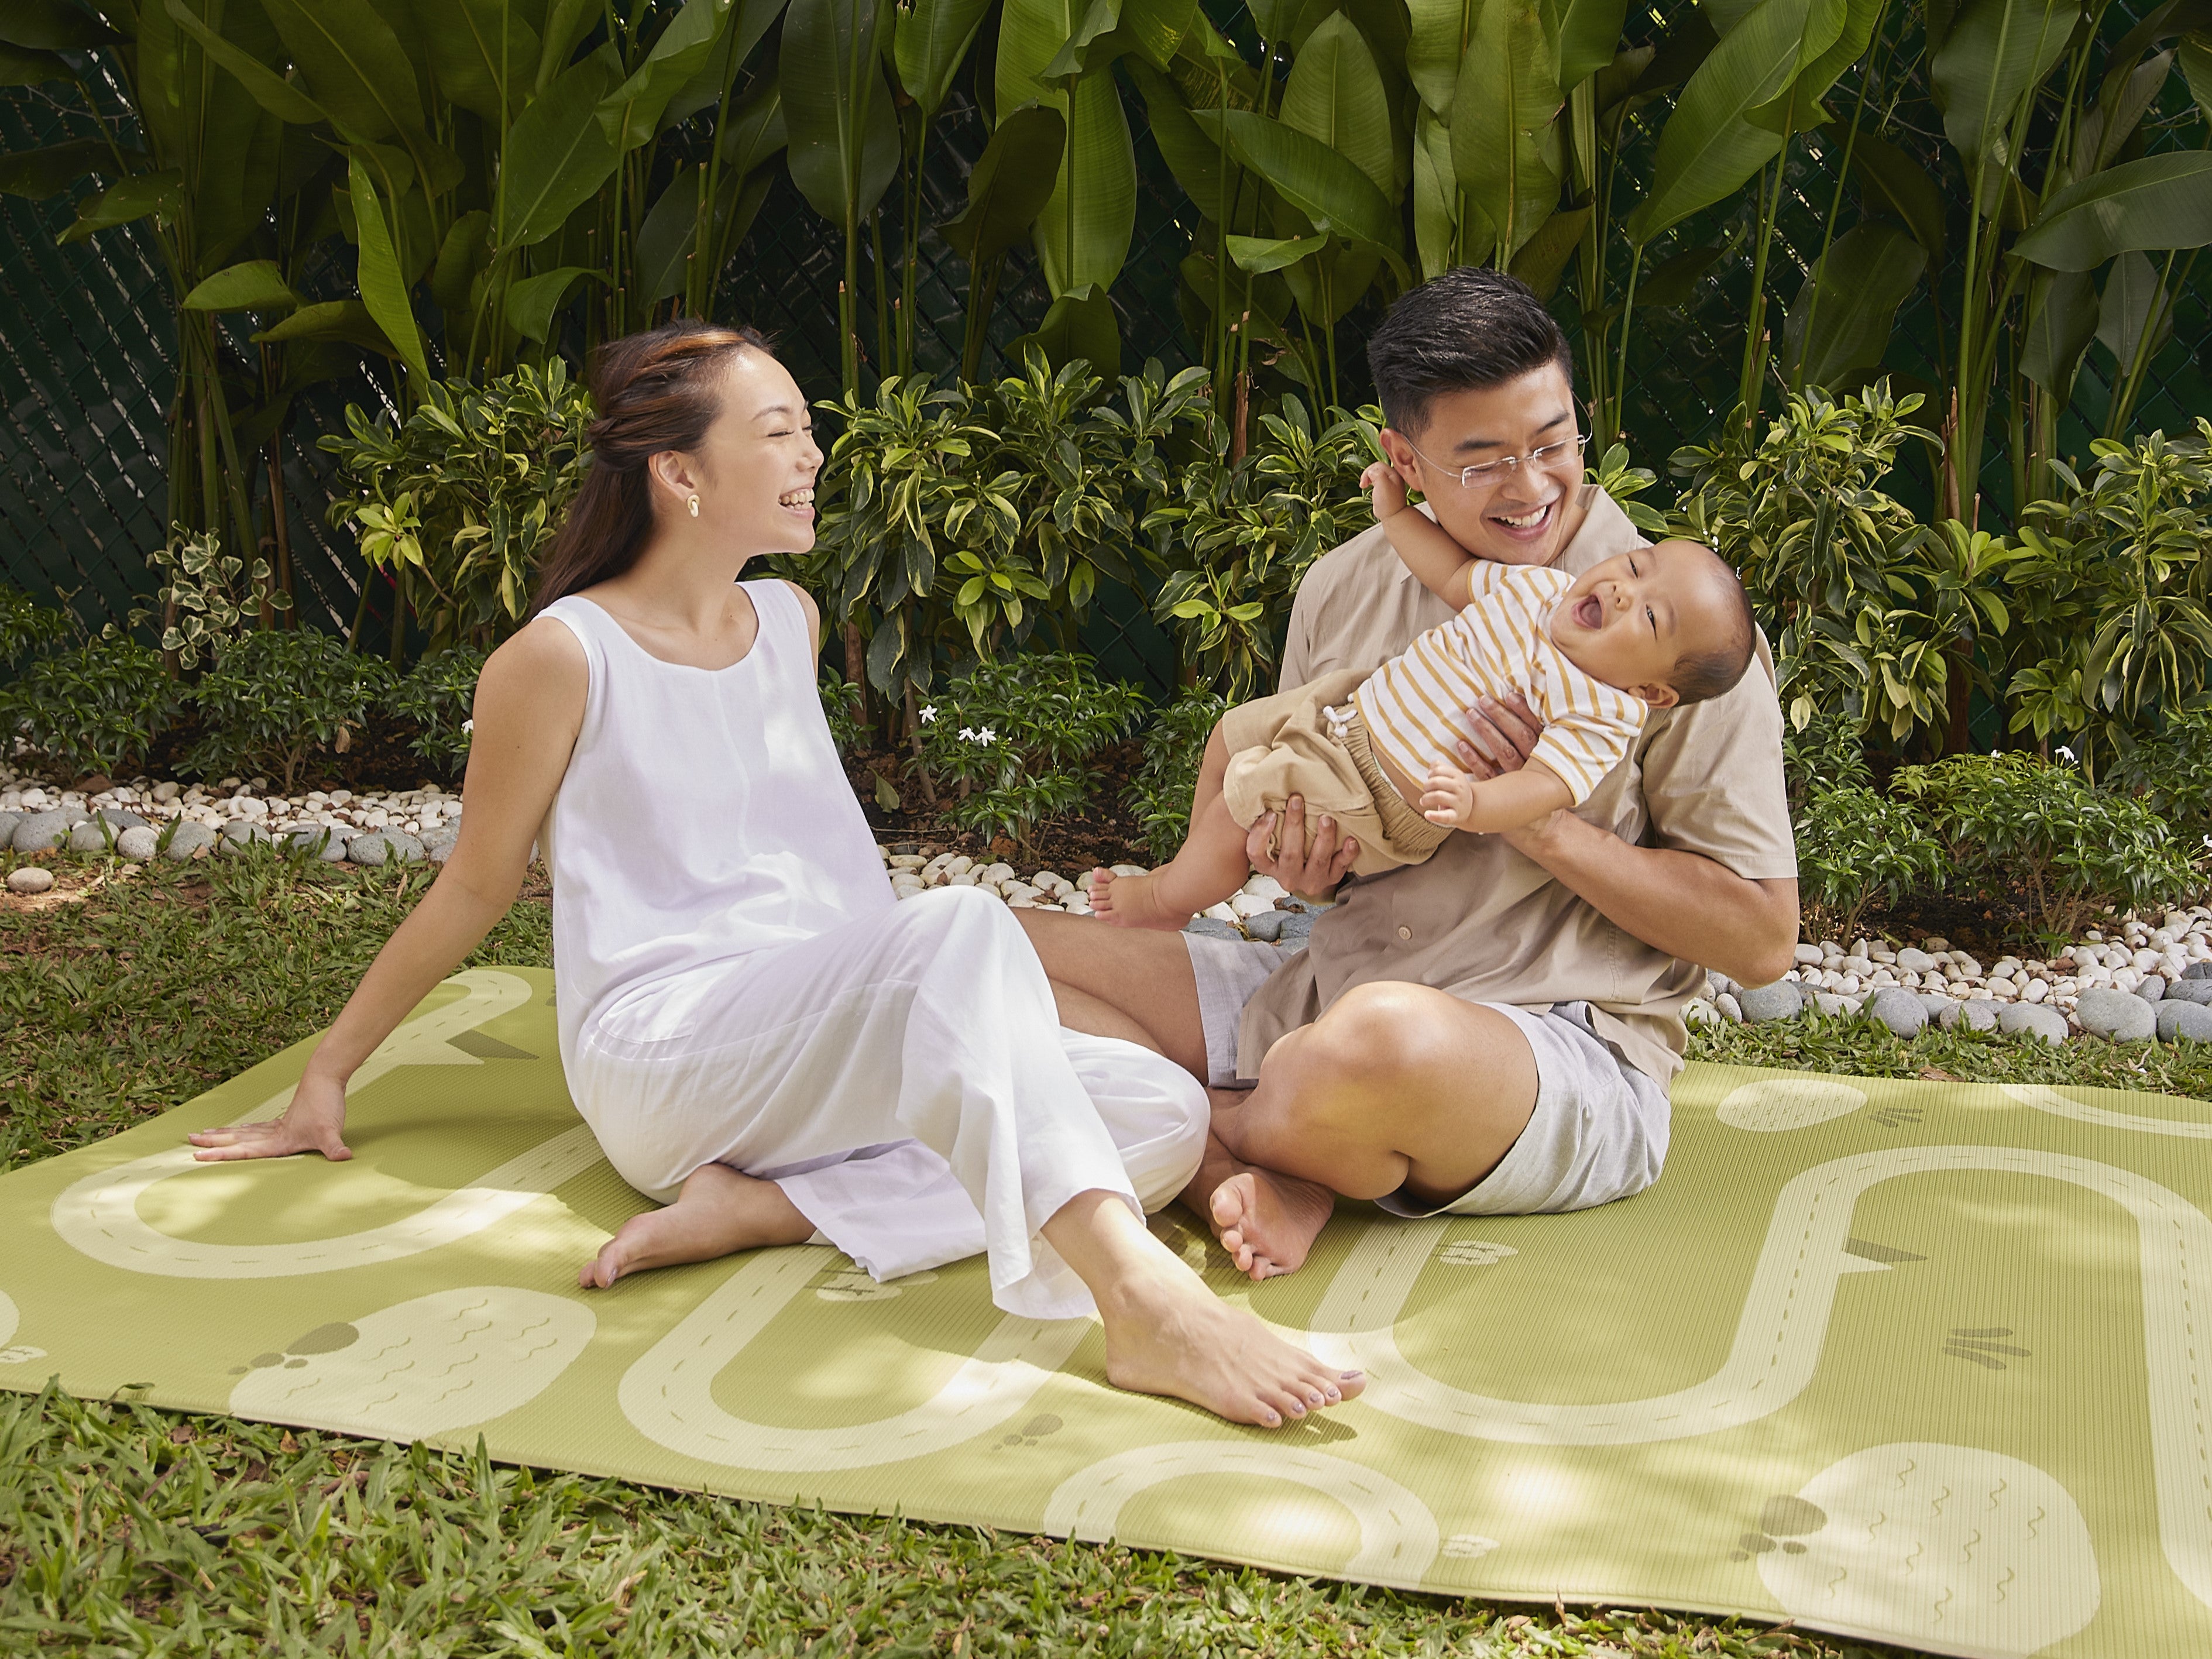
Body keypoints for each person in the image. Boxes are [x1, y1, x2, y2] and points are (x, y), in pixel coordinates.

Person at [186, 320, 1361, 1430]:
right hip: (672, 1052)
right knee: (957, 929)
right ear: (680, 476)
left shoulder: (786, 617)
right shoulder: (558, 656)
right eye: (779, 430)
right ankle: (1145, 1306)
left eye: (807, 427)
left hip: (826, 1032)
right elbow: (475, 884)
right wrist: (328, 1073)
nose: (812, 454)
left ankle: (776, 1206)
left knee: (1151, 1114)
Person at [1018, 267, 1799, 1281]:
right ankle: (1250, 1160)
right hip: (1322, 994)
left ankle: (1197, 1124)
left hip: (1547, 1045)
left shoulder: (1671, 641)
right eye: (1484, 461)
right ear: (1404, 459)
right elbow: (1322, 865)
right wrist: (1298, 866)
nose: (1532, 488)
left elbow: (1761, 939)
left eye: (1553, 444)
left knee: (1380, 1043)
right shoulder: (1344, 586)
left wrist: (1536, 819)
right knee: (987, 952)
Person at [1090, 465, 1756, 927]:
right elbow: (1453, 571)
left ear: (1651, 690)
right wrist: (1394, 514)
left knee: (1243, 813)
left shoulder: (1605, 709)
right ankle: (1187, 870)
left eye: (1648, 618)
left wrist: (1478, 802)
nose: (1621, 590)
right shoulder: (1541, 590)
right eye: (1636, 569)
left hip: (1382, 793)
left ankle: (1163, 900)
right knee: (1231, 733)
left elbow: (1548, 786)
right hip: (1346, 718)